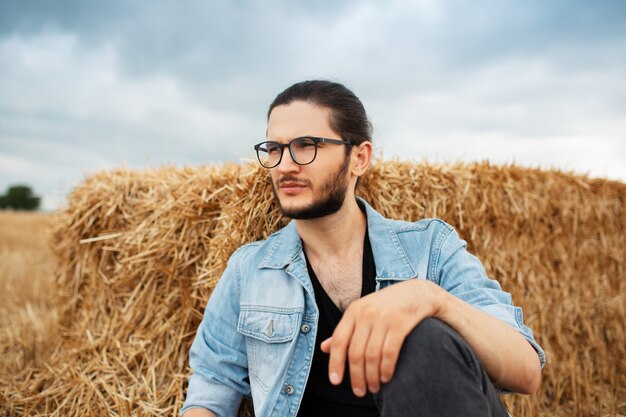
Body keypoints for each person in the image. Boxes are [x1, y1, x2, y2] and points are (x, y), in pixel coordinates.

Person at [181, 80, 546, 417]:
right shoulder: (250, 269)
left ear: (359, 158)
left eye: (306, 146)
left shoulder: (430, 248)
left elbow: (526, 371)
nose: (284, 165)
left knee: (424, 336)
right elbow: (210, 394)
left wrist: (431, 300)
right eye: (274, 148)